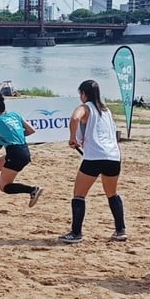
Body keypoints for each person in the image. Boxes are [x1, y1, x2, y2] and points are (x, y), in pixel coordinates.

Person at [59, 79, 127, 244]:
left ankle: (76, 233)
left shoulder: (85, 108)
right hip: (113, 156)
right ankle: (120, 230)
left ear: (84, 94)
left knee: (79, 195)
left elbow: (74, 119)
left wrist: (72, 138)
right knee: (112, 194)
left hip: (94, 156)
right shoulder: (106, 110)